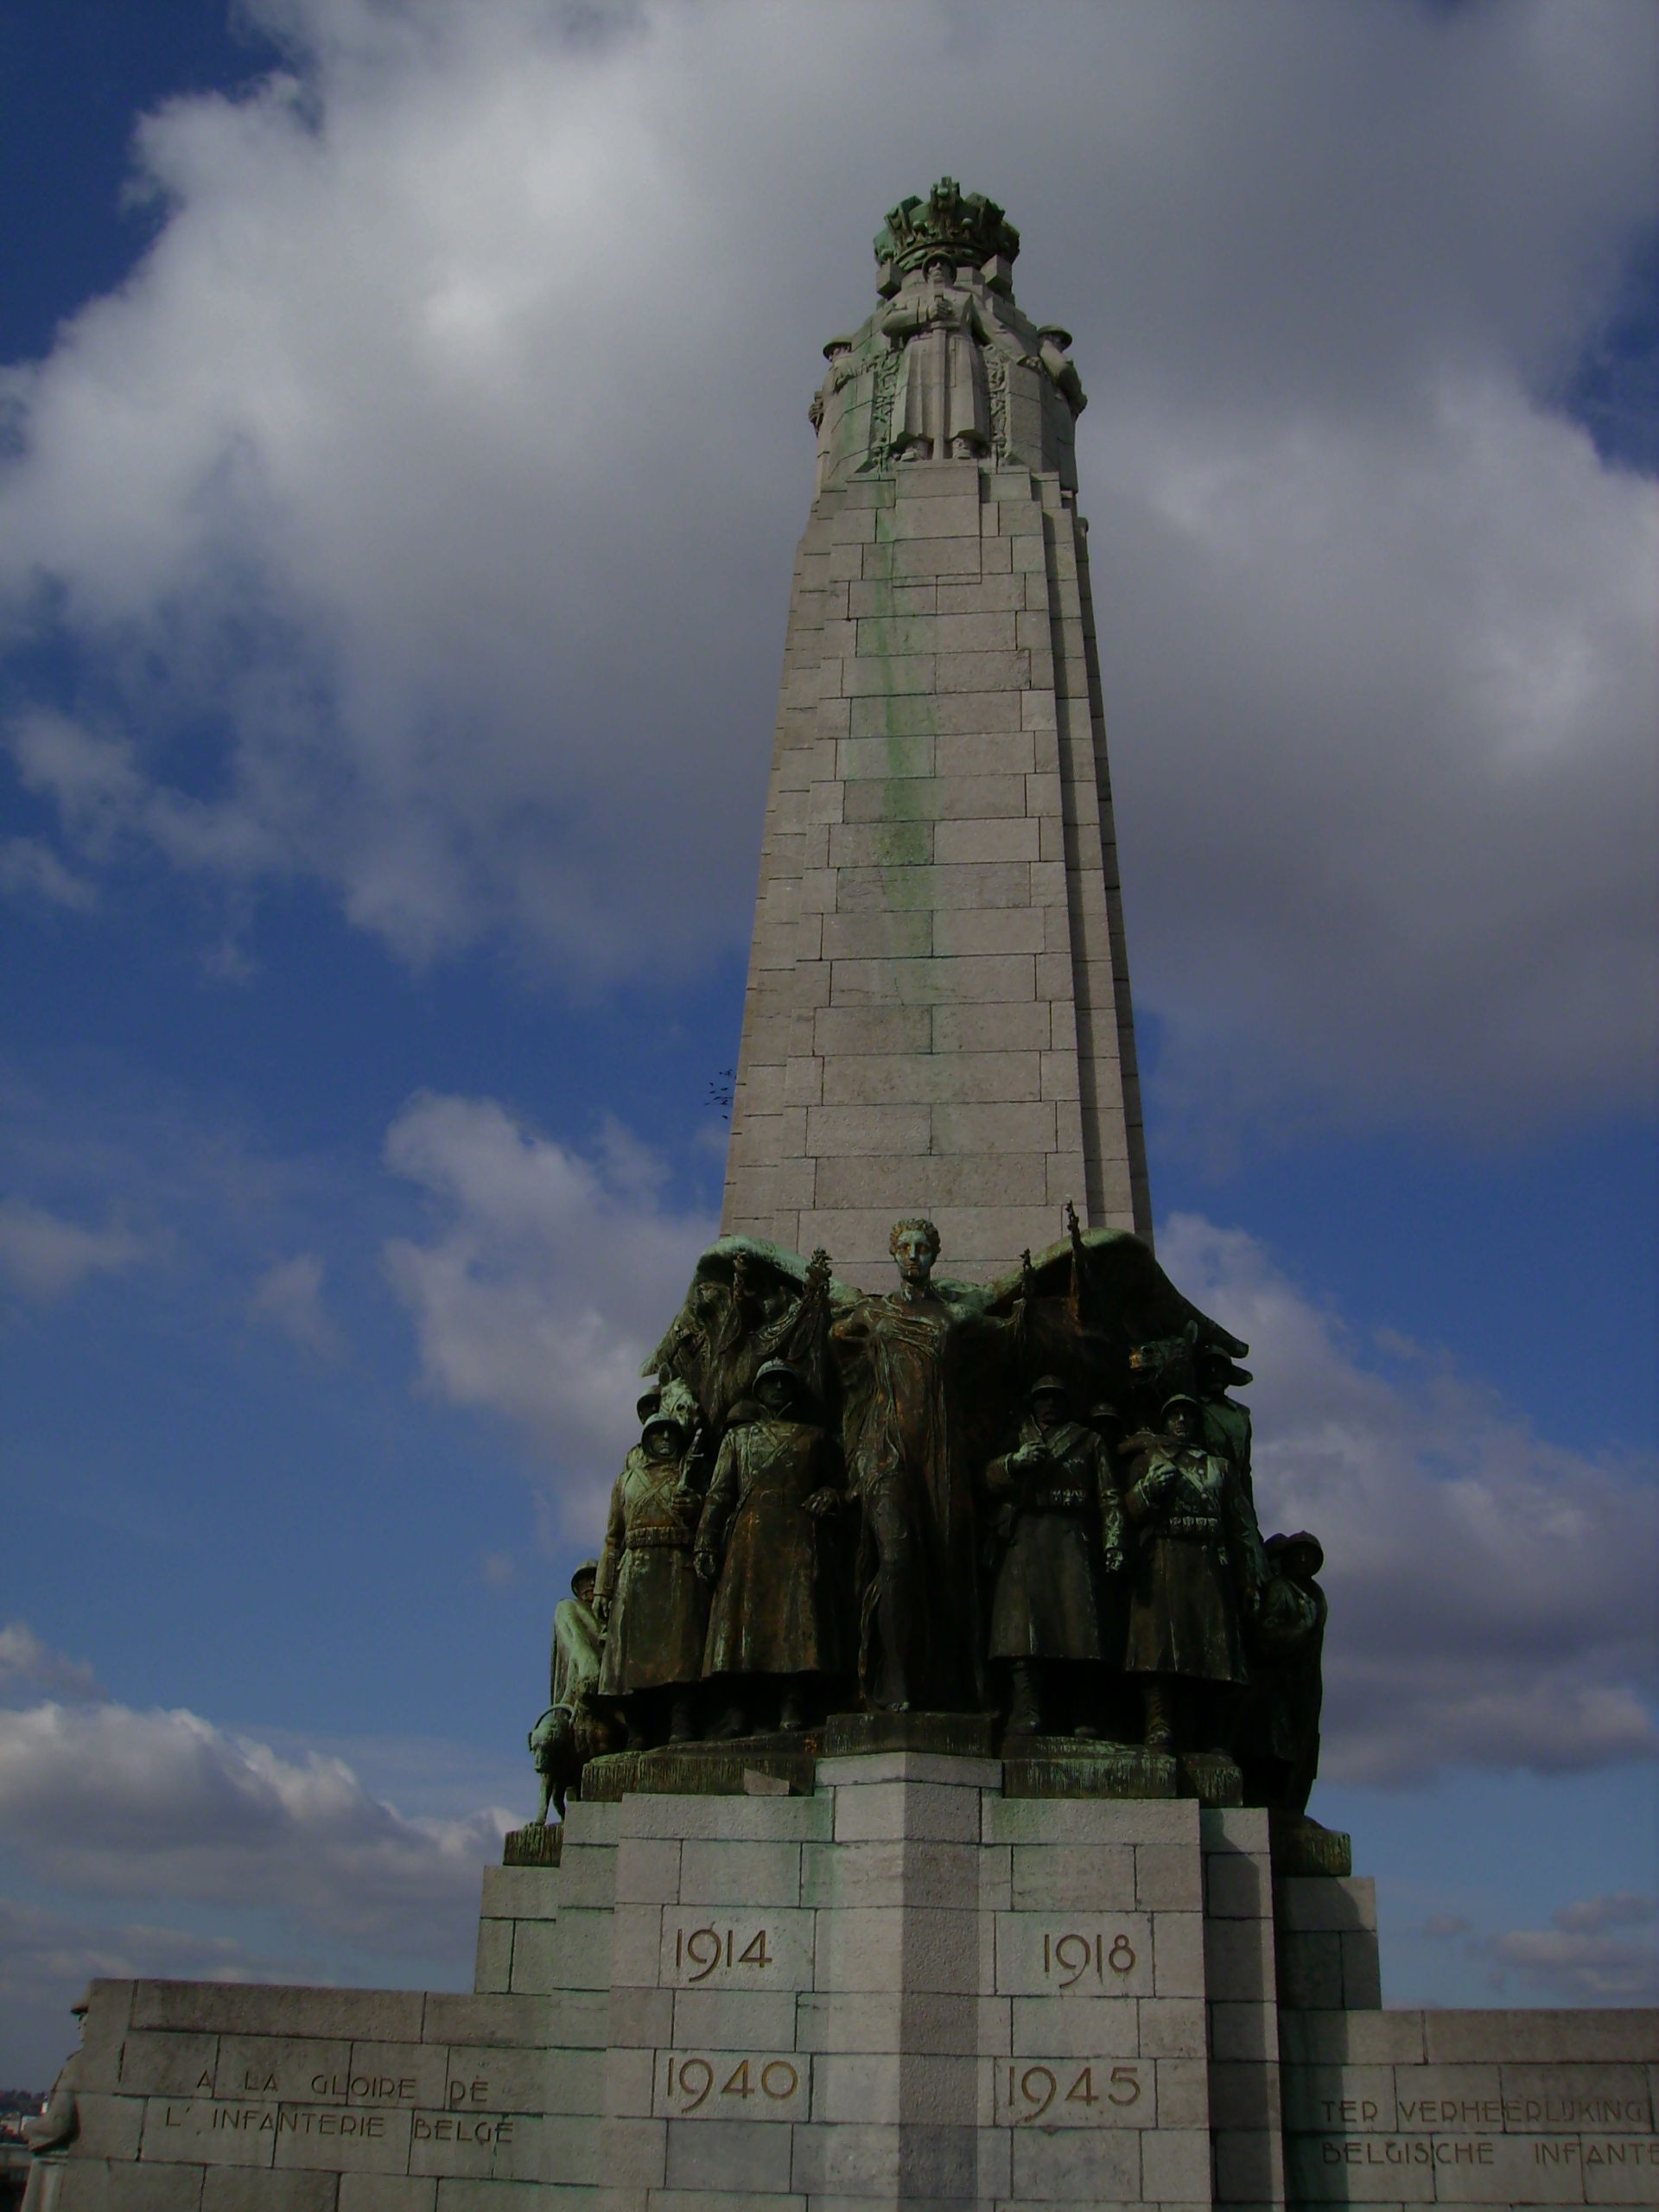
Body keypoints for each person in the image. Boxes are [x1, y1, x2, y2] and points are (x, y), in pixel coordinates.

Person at [830, 1217, 999, 1711]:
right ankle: (893, 1682)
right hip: (887, 1455)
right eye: (904, 1246)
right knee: (898, 1561)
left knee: (947, 1565)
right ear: (891, 1253)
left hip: (941, 1455)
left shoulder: (954, 1319)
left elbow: (1002, 1338)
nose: (913, 1255)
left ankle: (948, 1686)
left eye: (923, 1247)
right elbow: (829, 1345)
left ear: (935, 1255)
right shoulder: (870, 1314)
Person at [694, 1360, 845, 1735]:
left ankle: (791, 1702)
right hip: (750, 1534)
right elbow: (719, 1495)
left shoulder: (815, 1437)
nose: (777, 1388)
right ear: (759, 1391)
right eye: (770, 1382)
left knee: (796, 1620)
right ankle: (739, 1708)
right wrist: (706, 1542)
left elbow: (841, 1486)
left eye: (784, 1382)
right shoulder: (738, 1439)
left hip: (797, 1532)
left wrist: (831, 1496)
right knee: (744, 1620)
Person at [1122, 1394, 1266, 1753]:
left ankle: (1211, 1737)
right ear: (1165, 1421)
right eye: (1175, 1415)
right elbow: (1125, 1514)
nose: (1182, 1421)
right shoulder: (1147, 1460)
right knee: (1158, 1652)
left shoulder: (1219, 1468)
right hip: (1162, 1559)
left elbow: (1241, 1527)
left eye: (1188, 1415)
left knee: (1215, 1656)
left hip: (1209, 1565)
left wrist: (1249, 1579)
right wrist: (1148, 1489)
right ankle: (1159, 1726)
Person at [986, 1376, 1125, 1738]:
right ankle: (1026, 1709)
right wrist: (1014, 1463)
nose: (1049, 1405)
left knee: (1082, 1632)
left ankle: (1084, 1714)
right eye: (1042, 1398)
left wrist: (1113, 1542)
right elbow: (986, 1477)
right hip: (1026, 1536)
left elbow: (1109, 1496)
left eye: (1055, 1399)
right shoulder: (1017, 1437)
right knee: (1021, 1631)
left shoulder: (1088, 1441)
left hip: (1073, 1540)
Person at [594, 1410, 709, 1748]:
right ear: (647, 1439)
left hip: (678, 1566)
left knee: (681, 1653)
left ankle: (681, 1719)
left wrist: (696, 1507)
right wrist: (603, 1587)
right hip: (635, 1571)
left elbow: (713, 1515)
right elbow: (612, 1538)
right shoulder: (625, 1482)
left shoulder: (693, 1476)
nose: (666, 1440)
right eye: (659, 1434)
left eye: (672, 1433)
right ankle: (639, 1728)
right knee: (632, 1659)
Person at [1237, 1531, 1327, 1813]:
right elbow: (1267, 1636)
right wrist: (1299, 1632)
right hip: (1278, 1683)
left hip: (1305, 1681)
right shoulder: (1280, 1590)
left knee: (1302, 1745)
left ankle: (1288, 1804)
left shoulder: (1315, 1593)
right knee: (1276, 1746)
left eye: (1309, 1556)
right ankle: (1271, 1800)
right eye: (1298, 1554)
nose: (1303, 1560)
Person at [529, 1559, 612, 1820]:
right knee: (549, 1736)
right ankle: (542, 1813)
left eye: (593, 1579)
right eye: (582, 1582)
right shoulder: (569, 1610)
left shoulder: (615, 1612)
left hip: (613, 1693)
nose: (588, 1585)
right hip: (578, 1695)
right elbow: (573, 1651)